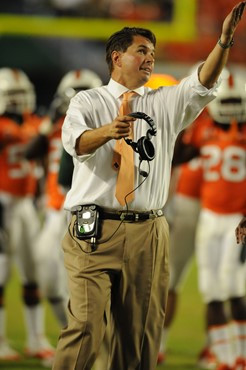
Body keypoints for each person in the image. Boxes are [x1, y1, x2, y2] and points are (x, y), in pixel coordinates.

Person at [52, 3, 246, 369]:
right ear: (116, 57)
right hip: (94, 229)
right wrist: (109, 131)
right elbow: (75, 143)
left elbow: (203, 81)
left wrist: (223, 41)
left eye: (153, 53)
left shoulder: (164, 103)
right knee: (85, 328)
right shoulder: (88, 100)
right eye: (141, 51)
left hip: (149, 230)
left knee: (140, 337)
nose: (150, 59)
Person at [183, 70, 246, 369]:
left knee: (233, 288)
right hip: (209, 216)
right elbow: (177, 154)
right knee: (211, 288)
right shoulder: (201, 129)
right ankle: (223, 358)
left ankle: (240, 356)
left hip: (238, 219)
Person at [0, 67, 55, 364]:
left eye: (22, 95)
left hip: (27, 207)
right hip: (2, 204)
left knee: (33, 273)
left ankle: (36, 338)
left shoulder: (36, 124)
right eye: (12, 96)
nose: (19, 101)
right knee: (1, 272)